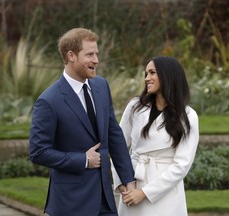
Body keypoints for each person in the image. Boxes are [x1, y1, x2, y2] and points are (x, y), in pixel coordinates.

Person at [29, 27, 135, 216]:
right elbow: (38, 152)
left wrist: (128, 178)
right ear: (71, 56)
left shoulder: (102, 86)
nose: (96, 60)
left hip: (105, 201)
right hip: (71, 203)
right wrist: (83, 160)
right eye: (90, 54)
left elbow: (114, 134)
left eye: (97, 54)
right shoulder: (49, 101)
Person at [112, 56, 199, 216]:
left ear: (167, 76)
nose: (147, 78)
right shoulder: (135, 107)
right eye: (146, 74)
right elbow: (118, 146)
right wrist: (122, 183)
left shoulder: (187, 116)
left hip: (164, 194)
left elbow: (181, 165)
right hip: (132, 185)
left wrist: (145, 193)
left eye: (152, 73)